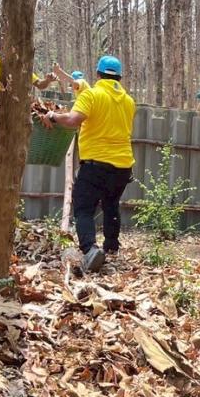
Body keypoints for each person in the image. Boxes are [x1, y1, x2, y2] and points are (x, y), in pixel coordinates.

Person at [43, 55, 135, 272]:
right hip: (123, 165)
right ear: (119, 77)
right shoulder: (130, 102)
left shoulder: (91, 95)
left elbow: (73, 120)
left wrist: (53, 116)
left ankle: (90, 250)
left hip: (96, 164)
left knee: (83, 207)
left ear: (97, 74)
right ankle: (111, 246)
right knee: (111, 203)